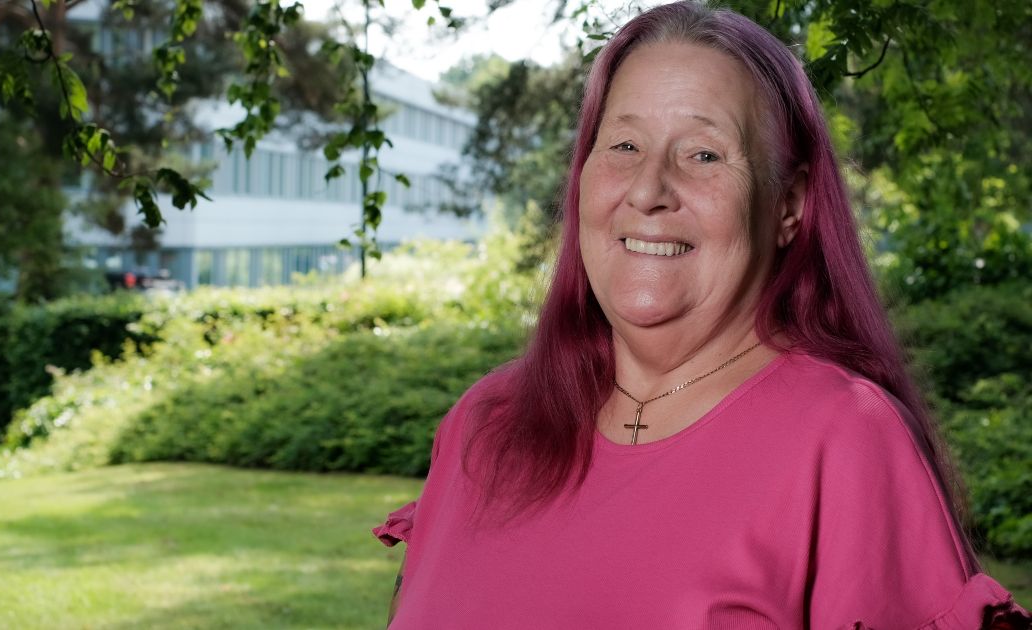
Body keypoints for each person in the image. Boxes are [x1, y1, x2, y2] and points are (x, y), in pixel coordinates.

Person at [371, 2, 1031, 628]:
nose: (649, 190)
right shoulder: (483, 423)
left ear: (790, 207)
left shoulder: (844, 441)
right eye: (624, 146)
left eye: (704, 155)